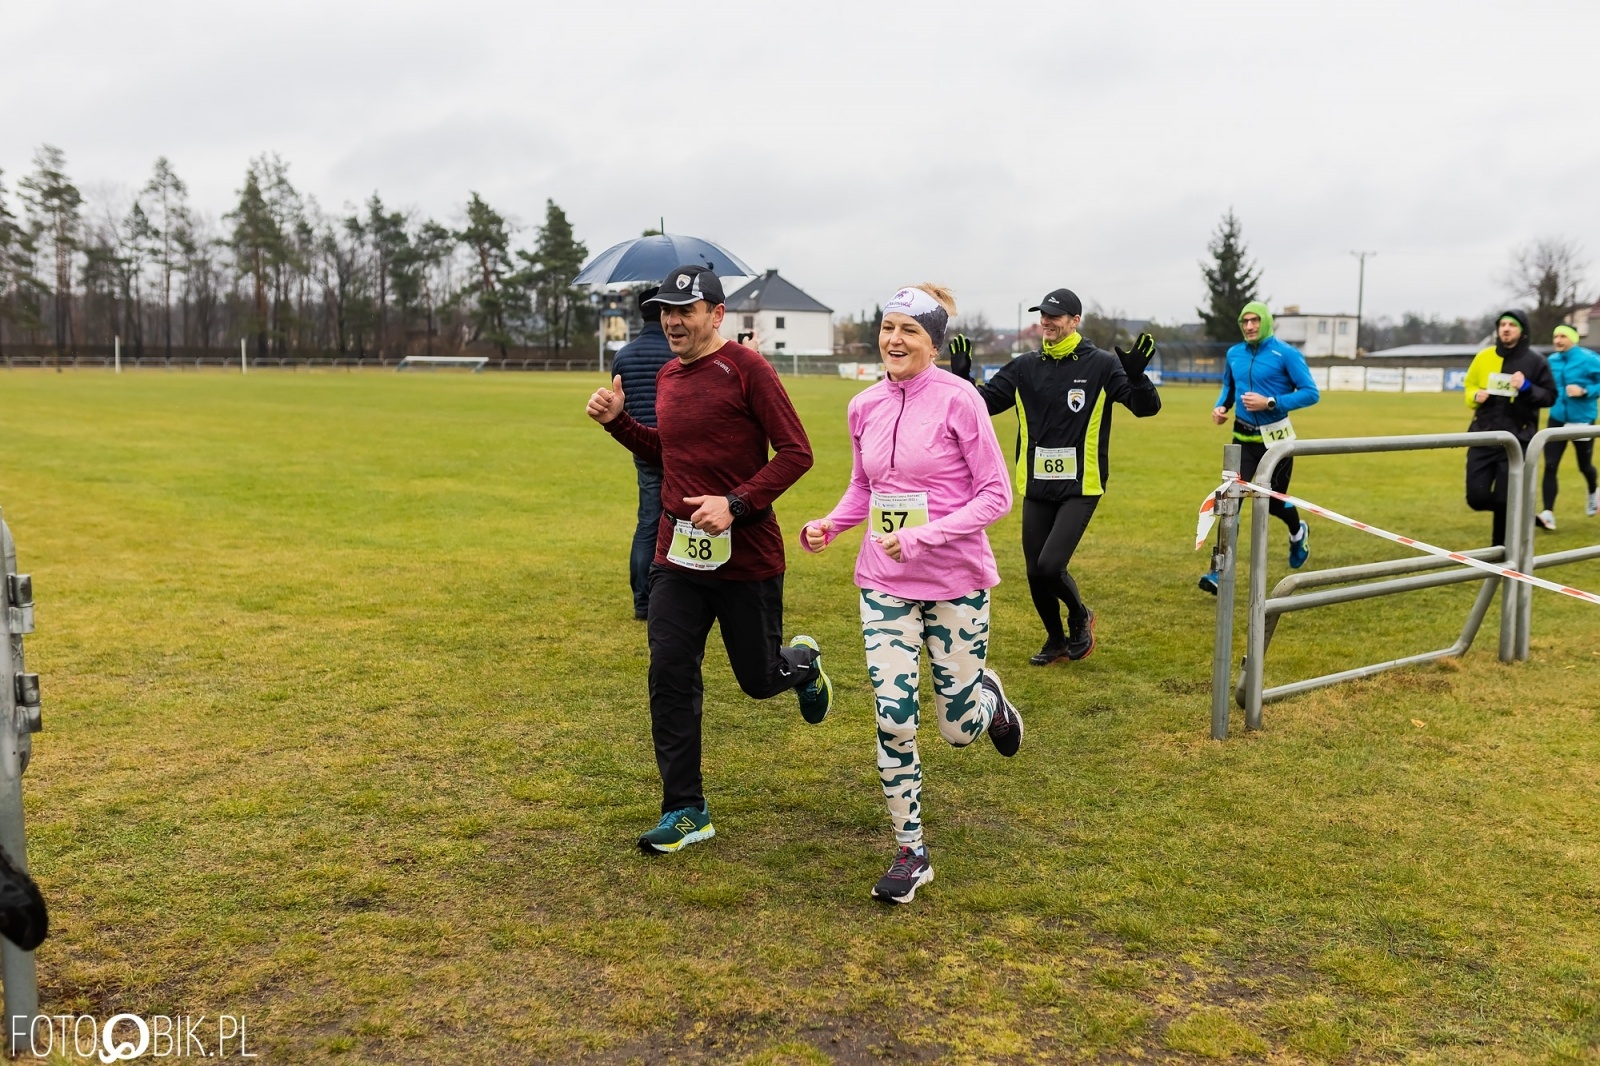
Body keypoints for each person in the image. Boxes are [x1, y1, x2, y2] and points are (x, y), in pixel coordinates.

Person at [586, 265, 831, 855]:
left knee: (758, 679)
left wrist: (736, 503)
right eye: (665, 311)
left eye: (684, 311)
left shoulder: (747, 369)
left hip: (746, 557)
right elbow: (669, 453)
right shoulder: (667, 375)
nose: (672, 321)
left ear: (716, 315)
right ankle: (686, 809)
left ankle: (802, 666)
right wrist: (619, 423)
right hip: (677, 557)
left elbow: (797, 452)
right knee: (669, 672)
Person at [801, 283, 1023, 905]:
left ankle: (987, 700)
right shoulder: (863, 405)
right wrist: (831, 524)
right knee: (893, 717)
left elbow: (997, 496)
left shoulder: (961, 400)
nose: (894, 340)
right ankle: (910, 852)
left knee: (957, 730)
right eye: (888, 327)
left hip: (956, 584)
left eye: (910, 330)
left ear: (934, 342)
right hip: (884, 583)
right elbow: (864, 487)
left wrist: (924, 537)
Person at [949, 288, 1161, 664]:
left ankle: (1079, 616)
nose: (1047, 321)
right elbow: (983, 405)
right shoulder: (1024, 366)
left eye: (1055, 316)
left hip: (1081, 484)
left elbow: (1146, 408)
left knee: (1050, 565)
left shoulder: (1101, 365)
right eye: (1043, 315)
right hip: (1036, 483)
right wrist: (962, 378)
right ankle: (1055, 639)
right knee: (1035, 572)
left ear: (1075, 321)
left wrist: (1137, 377)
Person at [1199, 301, 1320, 594]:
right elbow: (1229, 387)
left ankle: (1298, 532)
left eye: (1255, 320)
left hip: (1277, 444)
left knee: (1274, 504)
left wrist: (1271, 402)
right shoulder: (1234, 353)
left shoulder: (1286, 354)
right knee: (1231, 502)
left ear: (1265, 322)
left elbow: (1311, 393)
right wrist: (1221, 407)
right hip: (1242, 441)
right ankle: (1219, 571)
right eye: (1245, 321)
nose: (1250, 326)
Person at [1463, 309, 1556, 546]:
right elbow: (1469, 385)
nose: (1506, 329)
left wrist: (1526, 387)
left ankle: (1500, 552)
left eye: (1512, 325)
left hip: (1517, 439)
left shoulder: (1536, 361)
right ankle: (1523, 512)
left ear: (1522, 330)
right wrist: (1475, 395)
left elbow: (1550, 396)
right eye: (1502, 324)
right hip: (1483, 436)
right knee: (1476, 497)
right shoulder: (1484, 356)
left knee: (1506, 499)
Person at [609, 287, 674, 620]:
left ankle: (642, 600)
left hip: (641, 445)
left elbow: (620, 401)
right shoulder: (680, 350)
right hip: (679, 446)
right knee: (686, 519)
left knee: (648, 522)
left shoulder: (623, 355)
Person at [1536, 324, 1600, 530]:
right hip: (1556, 419)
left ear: (1573, 338)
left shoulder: (1589, 359)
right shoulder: (1551, 361)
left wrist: (1585, 391)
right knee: (1550, 465)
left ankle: (1594, 492)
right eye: (1556, 336)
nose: (1558, 340)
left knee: (1585, 466)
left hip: (1582, 420)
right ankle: (1548, 513)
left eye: (1563, 336)